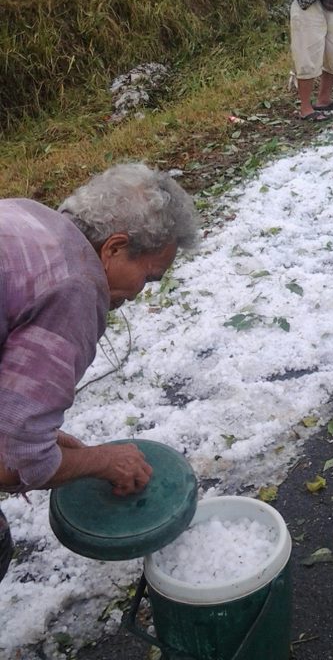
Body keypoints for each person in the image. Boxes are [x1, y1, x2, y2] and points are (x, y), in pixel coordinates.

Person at [0, 162, 199, 583]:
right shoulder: (74, 287)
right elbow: (18, 465)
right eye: (148, 275)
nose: (142, 292)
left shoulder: (28, 215)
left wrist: (28, 430)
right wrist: (100, 462)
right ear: (114, 247)